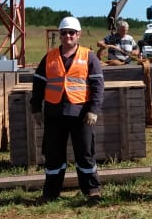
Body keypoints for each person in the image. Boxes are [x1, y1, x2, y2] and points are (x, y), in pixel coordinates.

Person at [30, 16, 105, 201]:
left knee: (85, 154)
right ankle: (51, 193)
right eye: (64, 33)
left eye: (71, 33)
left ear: (78, 35)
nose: (68, 36)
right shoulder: (49, 57)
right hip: (54, 113)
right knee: (53, 156)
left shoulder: (89, 57)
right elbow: (38, 84)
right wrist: (35, 109)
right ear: (60, 35)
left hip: (81, 114)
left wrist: (94, 110)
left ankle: (92, 191)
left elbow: (98, 86)